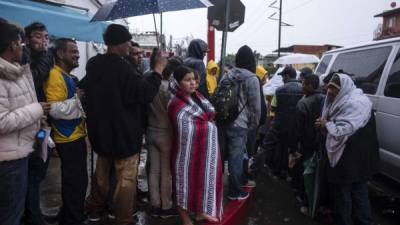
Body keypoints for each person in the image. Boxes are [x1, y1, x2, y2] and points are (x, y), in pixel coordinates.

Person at [84, 24, 162, 225]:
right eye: (128, 41)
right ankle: (124, 217)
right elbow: (145, 93)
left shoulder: (94, 65)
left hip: (101, 133)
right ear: (119, 43)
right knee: (126, 181)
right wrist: (158, 71)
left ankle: (94, 210)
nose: (130, 45)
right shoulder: (124, 69)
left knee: (101, 176)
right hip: (124, 135)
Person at [0, 21, 49, 225]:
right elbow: (2, 121)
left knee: (17, 210)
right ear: (12, 45)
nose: (23, 46)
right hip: (9, 160)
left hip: (21, 150)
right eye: (21, 42)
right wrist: (37, 109)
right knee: (10, 215)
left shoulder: (15, 69)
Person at [315, 73, 380, 225]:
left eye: (334, 89)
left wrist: (326, 125)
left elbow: (344, 129)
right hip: (358, 158)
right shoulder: (344, 100)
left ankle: (349, 221)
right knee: (358, 190)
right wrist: (326, 125)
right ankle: (362, 220)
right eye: (329, 87)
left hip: (349, 158)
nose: (330, 92)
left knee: (344, 194)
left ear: (344, 88)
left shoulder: (355, 104)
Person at [168, 66, 223, 225]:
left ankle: (200, 212)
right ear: (178, 83)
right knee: (183, 184)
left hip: (203, 151)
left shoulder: (198, 96)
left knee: (201, 180)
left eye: (194, 80)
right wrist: (208, 125)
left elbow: (209, 114)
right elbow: (184, 128)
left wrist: (207, 124)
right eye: (187, 80)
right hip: (185, 153)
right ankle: (185, 219)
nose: (192, 83)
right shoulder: (175, 103)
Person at [43, 38, 87, 225]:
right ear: (60, 54)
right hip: (67, 139)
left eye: (77, 51)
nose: (77, 55)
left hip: (75, 136)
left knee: (77, 181)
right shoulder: (54, 76)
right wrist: (78, 98)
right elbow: (54, 109)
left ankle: (68, 214)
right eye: (73, 51)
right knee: (74, 182)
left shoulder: (65, 75)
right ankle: (72, 219)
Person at [22, 22, 54, 225]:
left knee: (37, 171)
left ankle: (31, 213)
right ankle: (34, 217)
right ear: (26, 39)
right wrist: (46, 56)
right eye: (37, 36)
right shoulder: (28, 60)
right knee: (34, 172)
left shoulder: (40, 58)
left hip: (41, 125)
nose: (43, 40)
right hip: (28, 124)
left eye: (46, 36)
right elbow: (32, 79)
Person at [219, 45, 261, 200]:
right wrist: (253, 125)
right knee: (236, 158)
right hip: (241, 124)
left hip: (224, 121)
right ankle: (235, 192)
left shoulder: (227, 75)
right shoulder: (252, 78)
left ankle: (216, 189)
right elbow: (256, 107)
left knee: (223, 156)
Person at [146, 49, 178, 218]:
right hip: (166, 133)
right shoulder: (168, 88)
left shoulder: (147, 81)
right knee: (166, 171)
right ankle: (166, 206)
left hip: (150, 130)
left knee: (154, 170)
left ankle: (154, 204)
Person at [290, 74, 325, 213]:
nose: (301, 86)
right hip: (320, 142)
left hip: (306, 143)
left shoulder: (303, 103)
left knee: (305, 172)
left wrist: (293, 148)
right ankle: (315, 201)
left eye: (303, 84)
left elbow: (296, 129)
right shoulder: (324, 99)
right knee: (316, 173)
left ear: (311, 86)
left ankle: (304, 199)